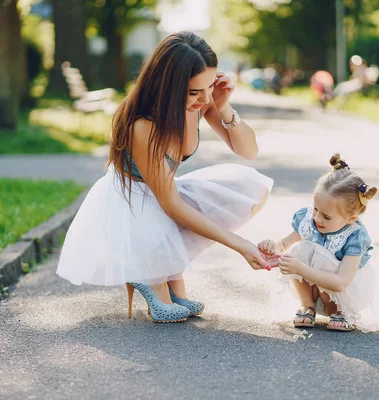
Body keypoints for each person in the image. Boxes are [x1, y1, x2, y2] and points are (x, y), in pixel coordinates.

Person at [56, 31, 274, 323]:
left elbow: (248, 150)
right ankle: (149, 273)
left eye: (210, 86)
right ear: (168, 87)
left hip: (161, 193)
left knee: (249, 185)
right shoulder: (143, 125)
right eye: (194, 92)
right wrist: (240, 244)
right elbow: (171, 205)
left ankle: (168, 273)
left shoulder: (204, 100)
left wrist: (223, 107)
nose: (204, 98)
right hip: (130, 204)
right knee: (160, 213)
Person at [258, 154, 379, 332]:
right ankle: (307, 306)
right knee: (301, 249)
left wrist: (300, 268)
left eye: (326, 216)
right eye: (315, 208)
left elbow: (341, 282)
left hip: (343, 295)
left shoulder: (354, 236)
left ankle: (342, 313)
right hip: (316, 289)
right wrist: (271, 247)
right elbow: (284, 244)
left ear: (351, 218)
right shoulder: (309, 219)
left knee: (321, 259)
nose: (317, 217)